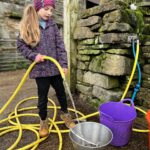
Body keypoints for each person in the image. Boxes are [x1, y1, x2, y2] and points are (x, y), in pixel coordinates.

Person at [17, 0, 75, 138]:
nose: (49, 13)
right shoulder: (30, 25)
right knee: (42, 98)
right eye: (47, 9)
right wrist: (33, 55)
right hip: (41, 71)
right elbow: (20, 45)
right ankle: (43, 121)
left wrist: (64, 65)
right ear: (38, 8)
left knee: (61, 93)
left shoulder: (53, 25)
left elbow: (60, 46)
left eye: (52, 10)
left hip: (55, 69)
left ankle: (66, 115)